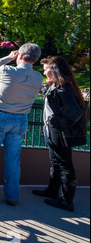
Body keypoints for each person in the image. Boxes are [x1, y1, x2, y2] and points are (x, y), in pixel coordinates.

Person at [0, 43, 44, 205]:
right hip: (21, 120)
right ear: (35, 59)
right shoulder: (38, 78)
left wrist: (8, 57)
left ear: (19, 56)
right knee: (13, 159)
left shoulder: (8, 71)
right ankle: (12, 196)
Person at [32, 56, 88, 212]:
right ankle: (52, 191)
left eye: (45, 69)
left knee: (65, 165)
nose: (43, 72)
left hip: (60, 133)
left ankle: (67, 201)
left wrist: (55, 121)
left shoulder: (63, 88)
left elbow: (76, 110)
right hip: (54, 132)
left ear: (54, 70)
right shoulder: (57, 86)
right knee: (56, 162)